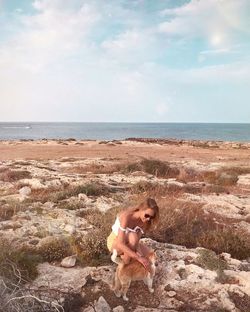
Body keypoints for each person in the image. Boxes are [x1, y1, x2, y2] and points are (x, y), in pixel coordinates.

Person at [107, 198, 159, 271]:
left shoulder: (145, 222)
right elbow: (120, 243)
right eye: (147, 215)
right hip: (115, 242)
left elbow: (136, 242)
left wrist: (141, 256)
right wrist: (139, 258)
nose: (148, 219)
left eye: (151, 217)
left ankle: (125, 259)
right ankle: (124, 266)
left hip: (131, 244)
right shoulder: (126, 217)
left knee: (151, 256)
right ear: (141, 209)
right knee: (133, 236)